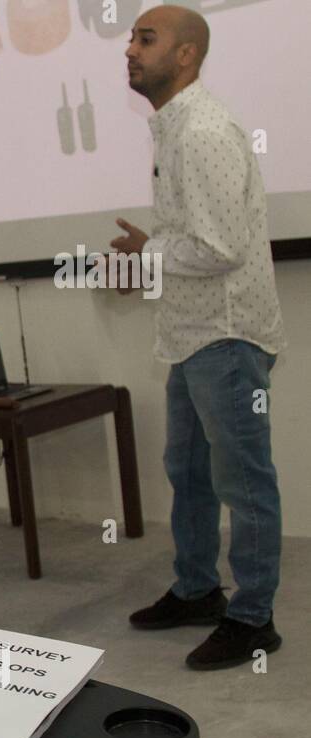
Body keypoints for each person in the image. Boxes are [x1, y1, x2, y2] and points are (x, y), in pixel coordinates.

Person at [113, 5, 285, 669]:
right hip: (191, 334)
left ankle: (253, 617)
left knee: (244, 481)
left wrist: (148, 254)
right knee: (188, 472)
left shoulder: (204, 130)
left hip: (228, 336)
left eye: (145, 39)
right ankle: (197, 589)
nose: (129, 49)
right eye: (130, 37)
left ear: (186, 55)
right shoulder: (173, 128)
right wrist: (147, 261)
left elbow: (218, 246)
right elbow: (196, 242)